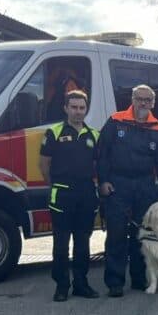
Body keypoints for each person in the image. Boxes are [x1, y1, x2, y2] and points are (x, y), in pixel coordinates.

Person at [98, 85, 158, 298]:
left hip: (145, 185)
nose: (143, 103)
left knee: (142, 235)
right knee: (117, 233)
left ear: (153, 103)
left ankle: (139, 279)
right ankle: (115, 282)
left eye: (147, 100)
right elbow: (102, 153)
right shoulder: (116, 121)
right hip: (118, 184)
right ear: (132, 99)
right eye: (139, 99)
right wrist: (103, 181)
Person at [39, 90, 100, 302]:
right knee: (61, 243)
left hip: (85, 193)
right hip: (62, 193)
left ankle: (81, 284)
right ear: (65, 108)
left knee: (83, 243)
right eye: (73, 107)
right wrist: (55, 184)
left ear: (86, 109)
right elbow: (44, 164)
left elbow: (96, 165)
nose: (78, 112)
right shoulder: (53, 132)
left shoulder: (93, 134)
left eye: (82, 108)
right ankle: (62, 286)